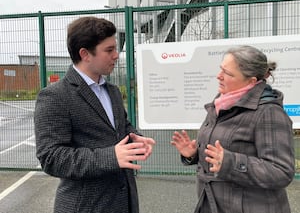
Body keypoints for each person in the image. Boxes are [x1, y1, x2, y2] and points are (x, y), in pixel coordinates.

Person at [34, 16, 155, 213]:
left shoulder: (112, 91)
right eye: (109, 50)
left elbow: (122, 128)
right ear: (85, 54)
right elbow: (51, 158)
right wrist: (111, 156)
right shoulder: (55, 96)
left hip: (123, 203)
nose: (116, 55)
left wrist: (136, 140)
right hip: (85, 206)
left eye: (115, 48)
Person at [171, 45, 295, 213]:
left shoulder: (269, 112)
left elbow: (281, 172)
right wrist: (194, 154)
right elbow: (221, 152)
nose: (219, 76)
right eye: (221, 69)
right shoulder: (222, 101)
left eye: (228, 74)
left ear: (251, 81)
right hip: (214, 204)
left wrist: (230, 163)